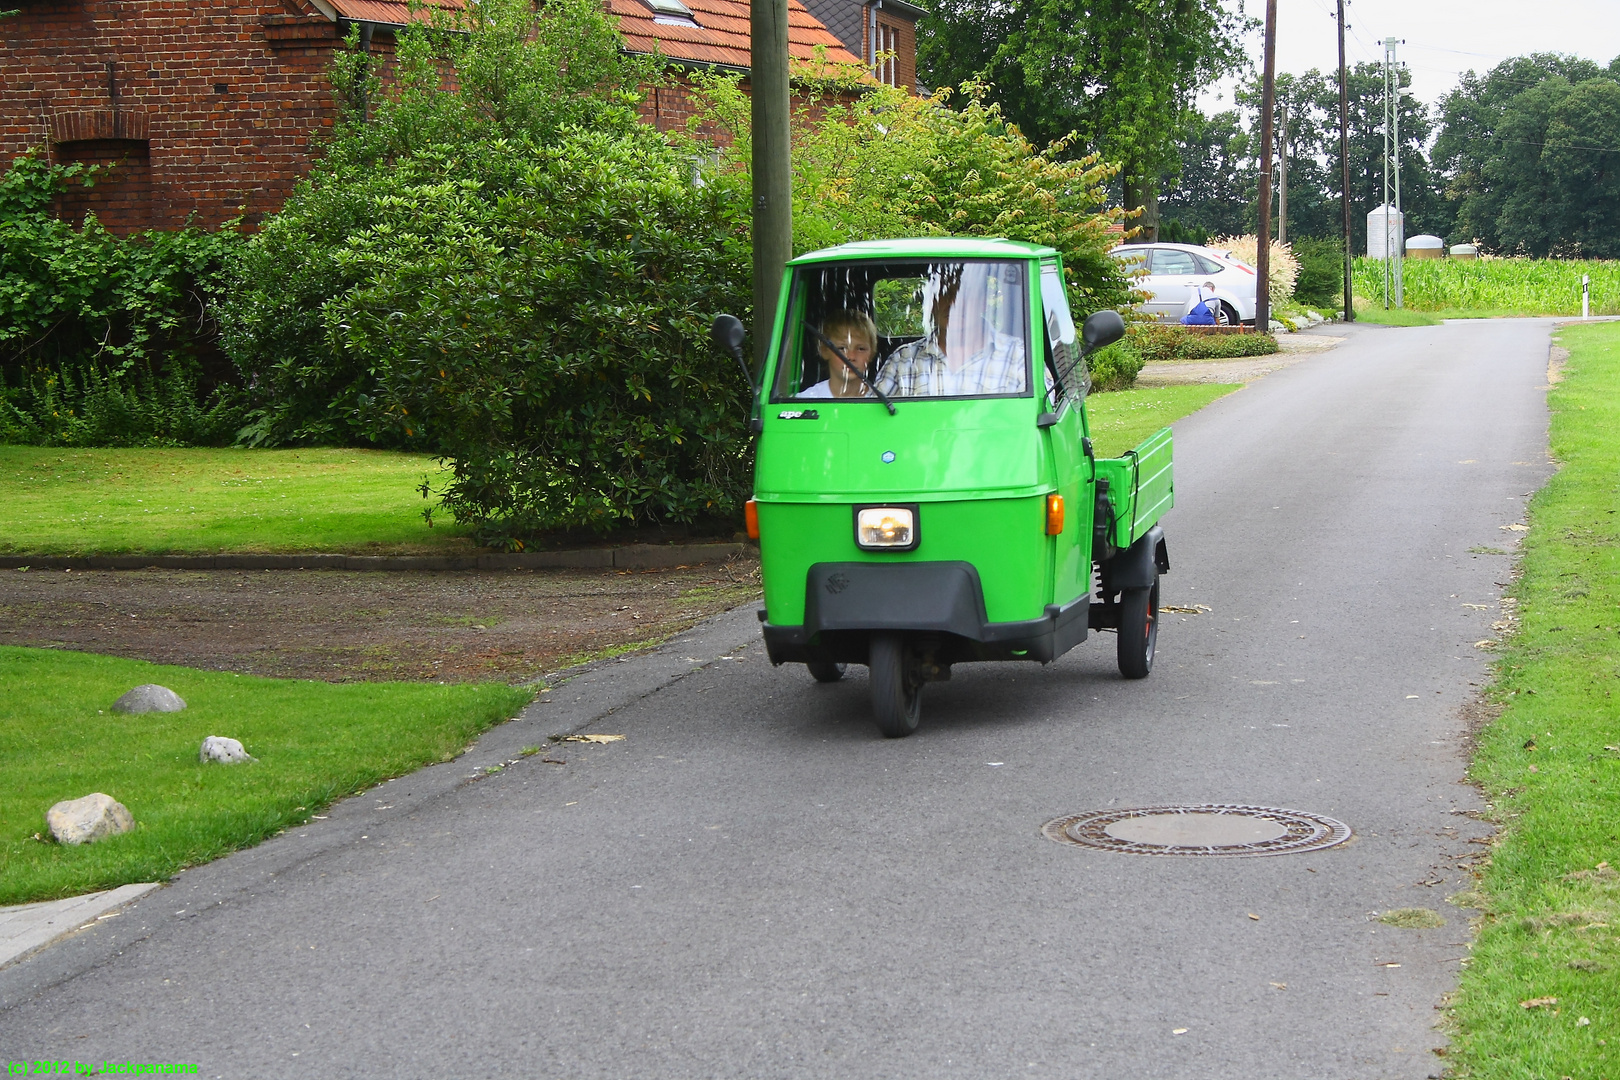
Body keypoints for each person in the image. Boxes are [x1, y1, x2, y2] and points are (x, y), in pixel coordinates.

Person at [871, 263, 1026, 397]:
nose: (954, 303)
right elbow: (872, 420)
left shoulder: (1019, 357)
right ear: (932, 303)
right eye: (945, 293)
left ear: (983, 302)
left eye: (965, 294)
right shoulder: (903, 359)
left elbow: (1038, 420)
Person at [797, 310, 876, 398]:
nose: (851, 356)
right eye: (842, 348)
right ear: (824, 351)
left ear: (871, 353)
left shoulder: (879, 401)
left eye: (861, 349)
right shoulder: (807, 401)